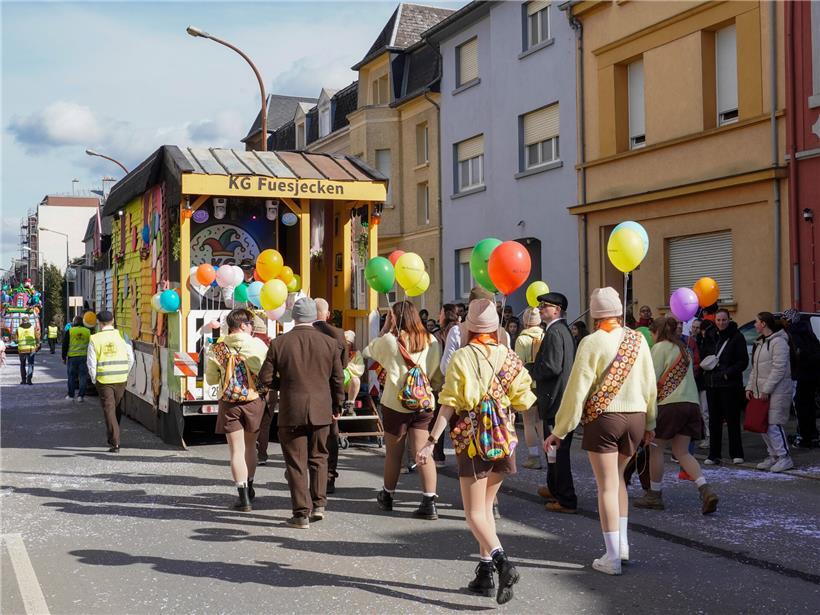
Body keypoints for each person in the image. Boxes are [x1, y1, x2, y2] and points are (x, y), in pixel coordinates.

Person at [416, 298, 535, 604]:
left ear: (468, 327)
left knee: (473, 513)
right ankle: (484, 573)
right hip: (502, 439)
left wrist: (431, 441)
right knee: (487, 509)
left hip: (473, 440)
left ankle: (501, 562)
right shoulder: (508, 356)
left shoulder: (463, 357)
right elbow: (524, 398)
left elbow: (449, 403)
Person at [545, 287, 656, 576]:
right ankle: (623, 546)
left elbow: (576, 390)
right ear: (619, 311)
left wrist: (560, 429)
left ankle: (612, 556)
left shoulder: (592, 342)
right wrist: (651, 423)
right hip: (636, 417)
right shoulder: (638, 340)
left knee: (606, 485)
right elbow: (650, 383)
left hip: (605, 419)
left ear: (595, 314)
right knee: (618, 481)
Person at [259, 298, 344, 528]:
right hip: (321, 408)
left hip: (291, 409)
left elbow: (265, 379)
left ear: (294, 317)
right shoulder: (329, 344)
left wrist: (284, 384)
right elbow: (338, 379)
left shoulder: (279, 343)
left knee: (296, 463)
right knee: (319, 457)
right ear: (315, 316)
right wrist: (338, 405)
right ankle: (319, 504)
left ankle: (300, 514)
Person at [364, 301, 442, 519]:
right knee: (423, 452)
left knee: (394, 454)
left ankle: (388, 495)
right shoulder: (432, 341)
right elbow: (436, 376)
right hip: (423, 403)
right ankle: (429, 501)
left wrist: (385, 329)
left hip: (396, 403)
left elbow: (369, 349)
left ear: (394, 317)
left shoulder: (390, 341)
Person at [633, 316, 719, 513]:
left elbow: (651, 380)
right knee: (682, 452)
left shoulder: (660, 348)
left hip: (669, 405)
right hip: (691, 404)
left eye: (652, 334)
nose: (652, 338)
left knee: (656, 449)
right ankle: (705, 489)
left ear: (658, 332)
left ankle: (654, 495)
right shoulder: (683, 349)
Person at [440, 287, 510, 519]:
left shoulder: (458, 334)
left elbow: (445, 368)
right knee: (495, 452)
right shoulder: (503, 335)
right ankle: (492, 505)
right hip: (500, 411)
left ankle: (478, 514)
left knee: (473, 461)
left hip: (468, 411)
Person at [205, 309, 269, 511]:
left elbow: (211, 379)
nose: (252, 327)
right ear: (242, 325)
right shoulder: (257, 345)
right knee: (251, 447)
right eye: (250, 323)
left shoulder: (218, 349)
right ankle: (250, 486)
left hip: (229, 403)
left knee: (236, 451)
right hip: (253, 400)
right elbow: (266, 372)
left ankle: (243, 498)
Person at [532, 292, 577, 514]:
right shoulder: (560, 330)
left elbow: (552, 366)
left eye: (544, 306)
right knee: (552, 449)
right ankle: (554, 487)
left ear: (556, 310)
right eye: (540, 306)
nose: (540, 309)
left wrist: (530, 369)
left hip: (555, 399)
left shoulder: (555, 332)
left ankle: (566, 498)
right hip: (559, 398)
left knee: (558, 450)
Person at [747, 312, 794, 472]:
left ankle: (784, 457)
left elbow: (779, 368)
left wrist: (766, 388)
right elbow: (755, 369)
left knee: (774, 425)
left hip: (777, 391)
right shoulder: (760, 343)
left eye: (756, 322)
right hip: (762, 391)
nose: (754, 325)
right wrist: (750, 387)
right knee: (763, 425)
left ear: (764, 324)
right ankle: (773, 455)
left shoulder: (778, 342)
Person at [701, 308, 748, 465]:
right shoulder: (710, 335)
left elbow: (743, 361)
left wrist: (727, 373)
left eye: (724, 320)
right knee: (714, 421)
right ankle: (714, 454)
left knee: (732, 419)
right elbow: (704, 355)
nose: (721, 323)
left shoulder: (737, 336)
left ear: (729, 319)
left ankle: (737, 453)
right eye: (719, 320)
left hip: (730, 385)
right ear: (715, 320)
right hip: (712, 384)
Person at [313, 298, 348, 494]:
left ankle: (313, 475)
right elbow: (343, 366)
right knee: (331, 436)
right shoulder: (338, 334)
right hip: (329, 390)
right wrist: (340, 401)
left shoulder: (306, 333)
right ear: (327, 314)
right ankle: (329, 476)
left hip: (310, 388)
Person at [87, 311, 135, 452]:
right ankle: (114, 435)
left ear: (99, 323)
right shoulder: (122, 335)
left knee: (109, 409)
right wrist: (126, 372)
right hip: (121, 378)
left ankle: (115, 442)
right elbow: (130, 357)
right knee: (116, 407)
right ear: (112, 321)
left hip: (104, 380)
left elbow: (91, 362)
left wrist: (94, 378)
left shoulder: (94, 339)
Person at [783, 309, 820, 448]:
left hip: (800, 375)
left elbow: (796, 356)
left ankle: (803, 436)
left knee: (800, 406)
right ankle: (812, 435)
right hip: (812, 375)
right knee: (809, 406)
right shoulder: (808, 331)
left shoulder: (792, 334)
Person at [515, 308, 545, 470]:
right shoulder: (545, 335)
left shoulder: (522, 339)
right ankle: (549, 454)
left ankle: (534, 457)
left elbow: (519, 365)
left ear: (525, 321)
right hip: (543, 384)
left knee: (528, 422)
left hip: (528, 385)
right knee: (541, 422)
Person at [431, 304, 460, 467]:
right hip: (460, 384)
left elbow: (442, 363)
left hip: (441, 382)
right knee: (457, 422)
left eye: (441, 312)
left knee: (439, 419)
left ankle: (438, 456)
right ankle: (461, 454)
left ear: (445, 315)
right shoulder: (464, 330)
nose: (439, 315)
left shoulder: (438, 335)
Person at [63, 315, 90, 403]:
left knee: (71, 377)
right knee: (83, 377)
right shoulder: (87, 331)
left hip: (72, 357)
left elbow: (65, 345)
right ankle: (80, 396)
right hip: (84, 357)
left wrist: (64, 357)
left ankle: (71, 395)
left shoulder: (70, 331)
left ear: (74, 322)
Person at [343, 330, 365, 411]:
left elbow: (360, 369)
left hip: (349, 384)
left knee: (356, 380)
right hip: (338, 381)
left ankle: (350, 406)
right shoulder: (338, 351)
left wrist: (347, 367)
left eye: (348, 343)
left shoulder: (356, 354)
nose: (347, 345)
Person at [16, 316, 39, 385]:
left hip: (22, 350)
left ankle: (23, 380)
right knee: (30, 364)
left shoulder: (18, 329)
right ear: (28, 321)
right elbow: (37, 337)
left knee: (22, 365)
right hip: (31, 349)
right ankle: (29, 380)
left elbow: (15, 339)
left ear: (22, 321)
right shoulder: (33, 328)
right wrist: (37, 344)